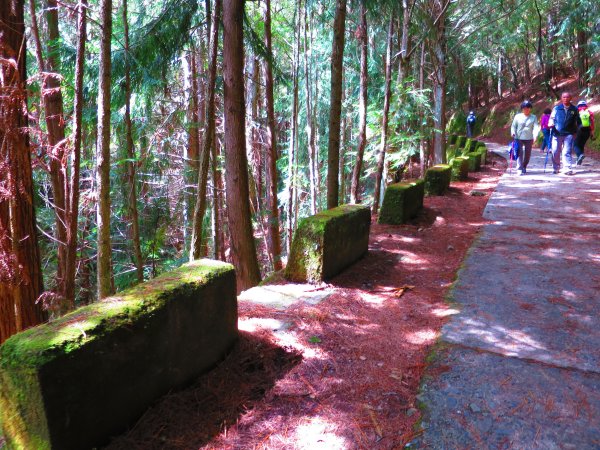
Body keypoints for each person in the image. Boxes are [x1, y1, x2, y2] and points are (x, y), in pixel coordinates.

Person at [548, 92, 581, 175]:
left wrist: (576, 131)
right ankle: (556, 167)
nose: (565, 99)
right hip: (557, 133)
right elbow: (551, 118)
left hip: (569, 133)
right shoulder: (556, 108)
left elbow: (579, 122)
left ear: (570, 98)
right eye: (564, 97)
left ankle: (567, 168)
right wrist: (550, 123)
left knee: (566, 151)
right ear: (561, 98)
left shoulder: (574, 109)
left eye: (567, 97)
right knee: (555, 151)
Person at [510, 101, 539, 175]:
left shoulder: (533, 117)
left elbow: (536, 127)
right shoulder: (517, 116)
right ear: (522, 109)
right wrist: (513, 132)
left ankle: (524, 166)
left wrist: (535, 135)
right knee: (519, 152)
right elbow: (514, 126)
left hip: (529, 137)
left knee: (527, 154)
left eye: (528, 108)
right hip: (518, 137)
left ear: (530, 109)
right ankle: (519, 168)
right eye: (524, 108)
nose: (526, 109)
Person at [573, 100, 595, 165]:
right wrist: (592, 133)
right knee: (581, 144)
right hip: (587, 130)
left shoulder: (576, 112)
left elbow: (574, 122)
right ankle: (579, 159)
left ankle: (580, 155)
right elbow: (592, 123)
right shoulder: (589, 112)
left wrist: (573, 131)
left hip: (579, 130)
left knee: (575, 145)